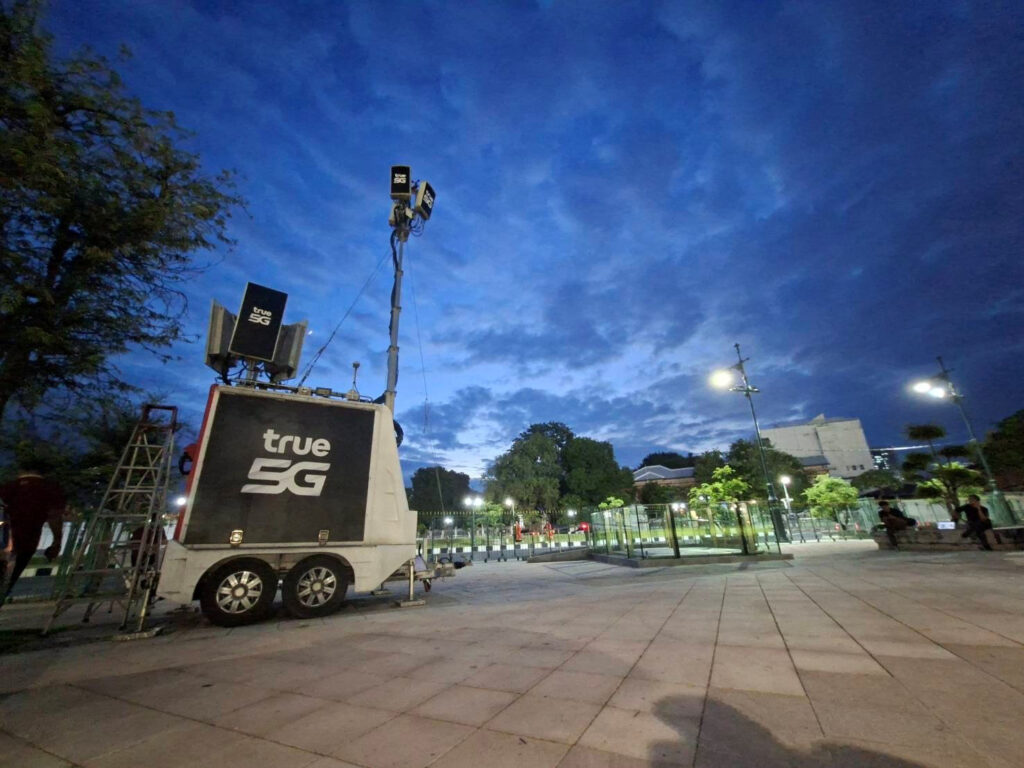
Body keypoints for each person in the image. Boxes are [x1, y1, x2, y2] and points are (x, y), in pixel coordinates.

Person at [0, 464, 66, 601]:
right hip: (23, 544)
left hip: (6, 541)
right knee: (4, 584)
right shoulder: (49, 489)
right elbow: (54, 516)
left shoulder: (7, 487)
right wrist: (57, 542)